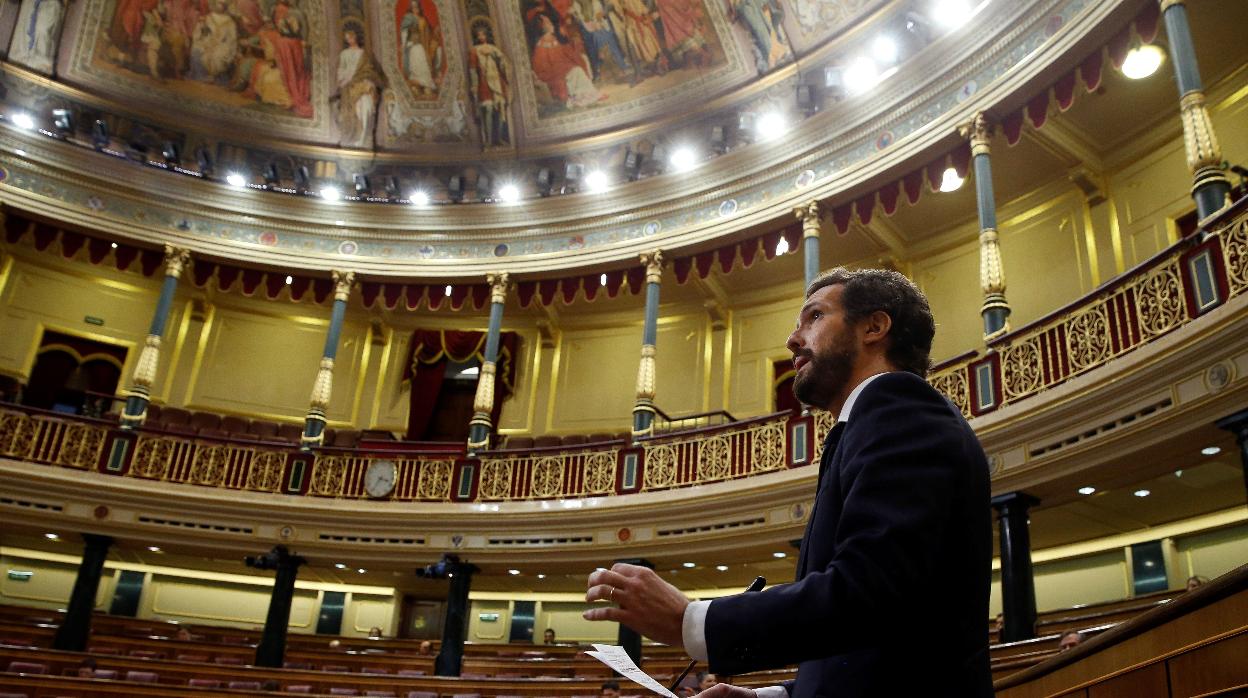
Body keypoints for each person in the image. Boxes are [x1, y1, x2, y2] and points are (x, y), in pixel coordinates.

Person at [584, 268, 993, 698]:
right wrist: (773, 697)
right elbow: (878, 644)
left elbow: (871, 593)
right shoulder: (867, 424)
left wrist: (691, 620)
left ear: (874, 326)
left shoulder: (898, 408)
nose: (793, 340)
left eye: (813, 317)